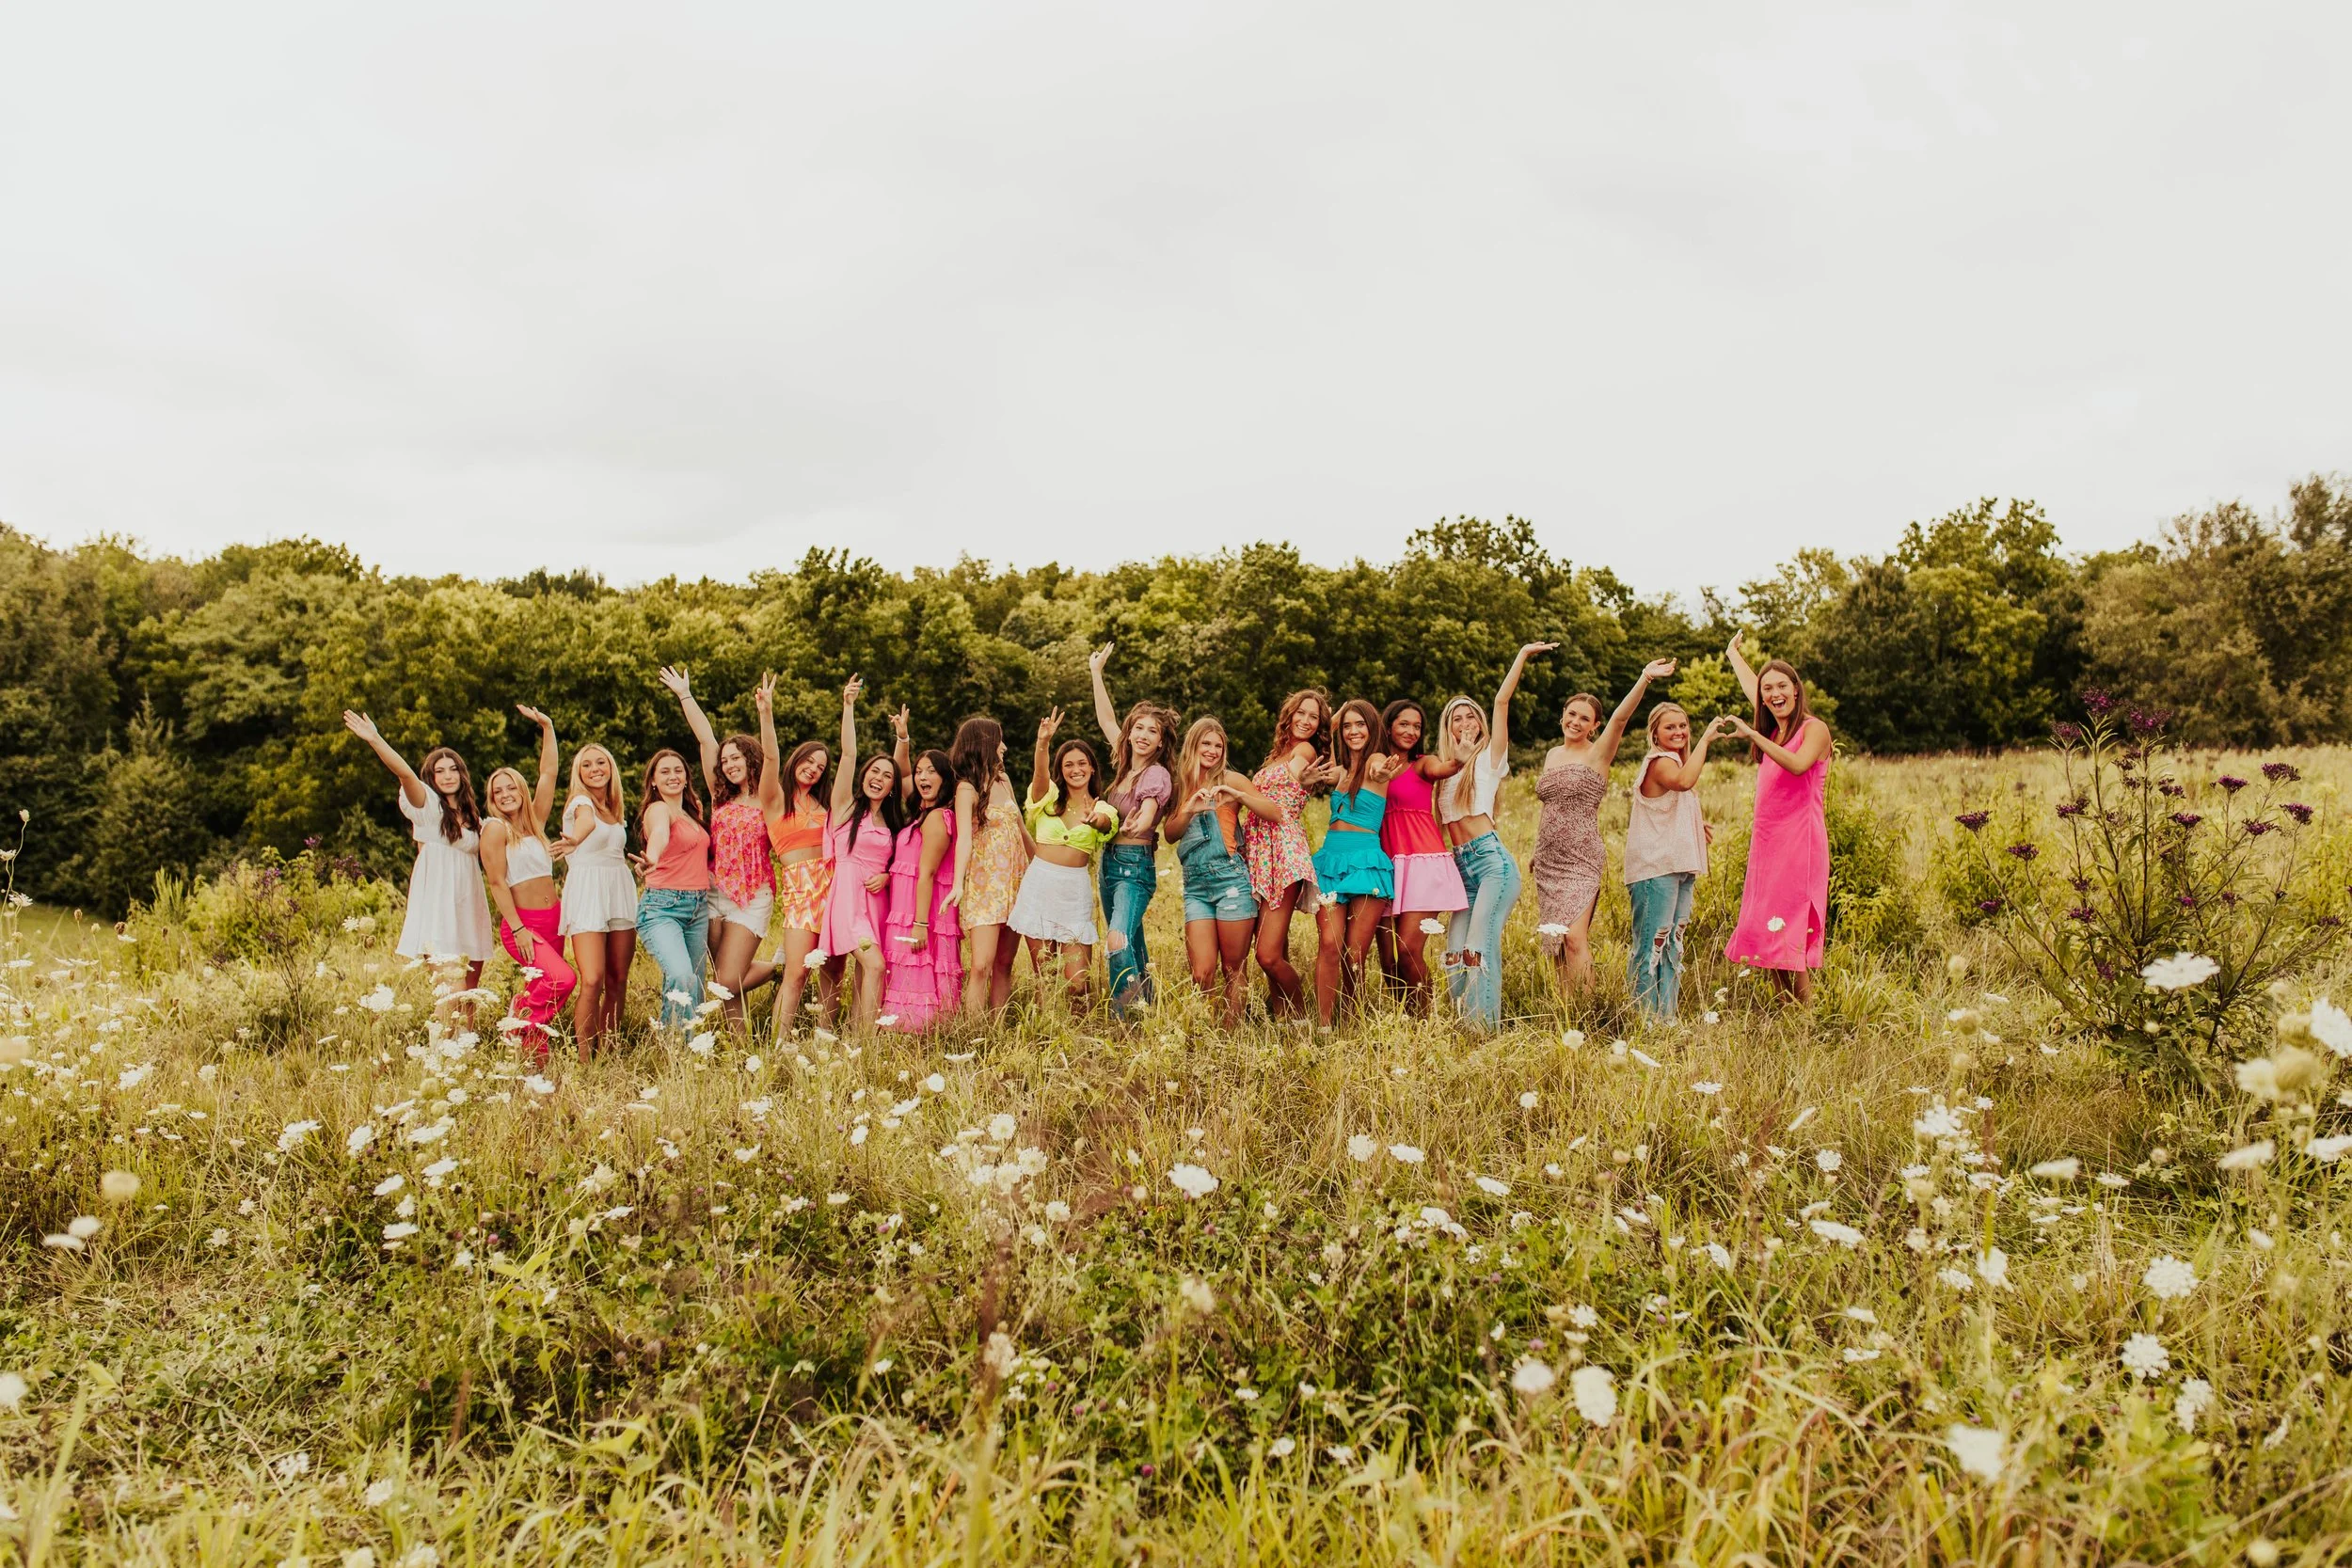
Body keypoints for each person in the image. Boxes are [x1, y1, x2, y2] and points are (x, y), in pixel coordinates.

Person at [1531, 658, 1677, 1004]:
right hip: (1549, 861)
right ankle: (1568, 1013)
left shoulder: (1599, 754)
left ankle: (1592, 1012)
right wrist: (1538, 851)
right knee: (1556, 944)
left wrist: (1644, 678)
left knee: (1575, 938)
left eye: (1585, 718)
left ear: (1595, 726)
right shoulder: (1551, 754)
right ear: (1562, 716)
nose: (1575, 721)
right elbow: (1550, 807)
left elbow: (1621, 718)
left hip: (1582, 859)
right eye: (1571, 714)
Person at [1436, 642, 1554, 1031]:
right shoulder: (1442, 768)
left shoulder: (1489, 759)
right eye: (1457, 718)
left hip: (1492, 864)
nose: (1465, 722)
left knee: (1478, 949)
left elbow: (1502, 702)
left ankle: (1483, 1035)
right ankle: (1465, 1026)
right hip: (1461, 868)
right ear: (1448, 727)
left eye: (1471, 716)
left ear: (1481, 723)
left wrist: (1521, 655)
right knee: (1453, 956)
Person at [342, 713, 494, 1005]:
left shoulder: (475, 819)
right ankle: (443, 1050)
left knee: (468, 996)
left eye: (453, 769)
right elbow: (405, 774)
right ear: (431, 777)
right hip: (438, 911)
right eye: (440, 771)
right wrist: (375, 739)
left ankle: (465, 1049)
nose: (448, 776)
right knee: (453, 990)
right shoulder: (428, 806)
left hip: (468, 909)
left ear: (463, 775)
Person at [658, 666, 776, 1036]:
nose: (728, 764)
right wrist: (684, 696)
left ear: (750, 759)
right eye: (725, 761)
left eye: (736, 758)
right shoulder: (718, 796)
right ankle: (743, 1058)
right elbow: (706, 738)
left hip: (753, 894)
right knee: (725, 988)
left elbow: (773, 758)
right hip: (714, 892)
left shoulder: (768, 796)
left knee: (727, 978)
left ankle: (782, 967)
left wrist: (765, 712)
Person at [1722, 633, 1833, 1003]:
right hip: (1768, 845)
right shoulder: (1776, 728)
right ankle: (1787, 1011)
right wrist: (1731, 654)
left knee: (1789, 932)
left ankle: (1807, 1017)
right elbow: (1755, 689)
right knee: (1768, 930)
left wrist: (1753, 733)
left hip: (1799, 843)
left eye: (1782, 686)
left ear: (1797, 690)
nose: (1773, 693)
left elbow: (1800, 766)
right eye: (1768, 689)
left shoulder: (1812, 729)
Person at [1161, 718, 1282, 1026]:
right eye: (1207, 744)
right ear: (1193, 746)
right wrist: (1190, 808)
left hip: (1231, 881)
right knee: (1201, 972)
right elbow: (1170, 834)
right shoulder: (1181, 786)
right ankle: (1207, 1028)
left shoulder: (1232, 779)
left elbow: (1274, 812)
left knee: (1232, 969)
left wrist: (1238, 796)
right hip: (1195, 886)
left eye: (1218, 745)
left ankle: (1231, 1035)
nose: (1213, 750)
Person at [1008, 709, 1120, 1006]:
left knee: (1077, 983)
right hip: (1040, 885)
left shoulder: (1103, 806)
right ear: (1061, 769)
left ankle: (1077, 1036)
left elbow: (1106, 825)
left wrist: (1094, 819)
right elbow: (1040, 775)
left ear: (1092, 769)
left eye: (1082, 763)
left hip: (1074, 891)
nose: (1075, 769)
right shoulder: (1046, 800)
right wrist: (1042, 742)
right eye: (1068, 764)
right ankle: (1044, 1035)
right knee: (1045, 976)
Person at [479, 706, 574, 1058]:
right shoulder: (494, 829)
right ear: (492, 797)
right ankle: (518, 1018)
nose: (505, 794)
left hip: (554, 920)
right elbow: (497, 882)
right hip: (524, 925)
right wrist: (518, 928)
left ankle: (534, 1064)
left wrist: (548, 726)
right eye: (497, 790)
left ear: (520, 789)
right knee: (562, 979)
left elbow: (548, 772)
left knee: (545, 987)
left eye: (510, 787)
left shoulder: (534, 824)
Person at [1089, 643, 1178, 1018]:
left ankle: (1123, 1017)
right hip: (1110, 865)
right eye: (1138, 728)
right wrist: (1096, 673)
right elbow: (1108, 721)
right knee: (1133, 941)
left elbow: (1149, 810)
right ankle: (1147, 1008)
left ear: (1161, 741)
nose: (1142, 734)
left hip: (1133, 865)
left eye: (1151, 731)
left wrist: (1140, 821)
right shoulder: (1126, 767)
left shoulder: (1155, 774)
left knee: (1116, 939)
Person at [1625, 703, 1730, 1019]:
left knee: (1673, 945)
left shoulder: (1676, 762)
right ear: (1654, 733)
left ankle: (1667, 1018)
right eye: (1670, 727)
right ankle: (1644, 1019)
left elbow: (1672, 803)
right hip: (1655, 869)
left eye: (1683, 725)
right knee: (1650, 947)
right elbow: (1683, 781)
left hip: (1680, 867)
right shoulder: (1659, 762)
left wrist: (1694, 823)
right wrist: (1706, 741)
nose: (1679, 732)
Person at [740, 714, 834, 1038]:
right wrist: (766, 712)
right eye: (809, 761)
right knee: (797, 972)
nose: (813, 768)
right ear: (796, 760)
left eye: (820, 767)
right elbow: (769, 756)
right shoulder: (777, 799)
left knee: (832, 972)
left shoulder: (826, 805)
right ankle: (778, 1044)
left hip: (833, 888)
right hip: (801, 892)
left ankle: (826, 1040)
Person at [1245, 689, 1333, 1019]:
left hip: (1283, 850)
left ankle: (1298, 1014)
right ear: (1290, 713)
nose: (1307, 721)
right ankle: (1281, 1013)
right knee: (1275, 945)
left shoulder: (1303, 750)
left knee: (1266, 954)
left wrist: (1299, 777)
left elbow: (1298, 769)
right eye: (1302, 713)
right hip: (1259, 849)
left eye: (1315, 717)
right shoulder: (1275, 754)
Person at [820, 675, 902, 1032]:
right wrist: (848, 707)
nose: (878, 778)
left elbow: (898, 862)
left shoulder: (893, 821)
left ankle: (857, 1039)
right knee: (875, 965)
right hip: (848, 900)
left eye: (886, 776)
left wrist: (887, 875)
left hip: (877, 900)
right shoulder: (845, 809)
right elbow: (849, 754)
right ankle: (867, 1045)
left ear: (892, 786)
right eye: (874, 771)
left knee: (864, 976)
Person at [1375, 700, 1467, 1015]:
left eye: (1417, 726)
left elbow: (1444, 768)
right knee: (1387, 959)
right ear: (1388, 726)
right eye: (1404, 724)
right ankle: (1405, 1019)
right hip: (1385, 866)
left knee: (1408, 949)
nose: (1411, 731)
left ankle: (1424, 1019)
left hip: (1423, 863)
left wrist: (1459, 760)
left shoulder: (1423, 764)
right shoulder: (1374, 767)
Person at [1311, 699, 1399, 1027]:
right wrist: (1331, 723)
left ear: (1372, 727)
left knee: (1354, 953)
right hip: (1331, 861)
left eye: (1359, 724)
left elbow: (1378, 768)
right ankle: (1323, 1026)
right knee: (1329, 943)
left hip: (1365, 863)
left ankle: (1353, 1020)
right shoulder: (1342, 770)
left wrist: (1381, 771)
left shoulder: (1375, 761)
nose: (1353, 731)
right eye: (1347, 726)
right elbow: (1324, 755)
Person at [554, 742, 637, 1054]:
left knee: (618, 978)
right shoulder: (580, 802)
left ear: (611, 767)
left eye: (601, 762)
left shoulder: (614, 809)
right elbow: (586, 823)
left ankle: (610, 1052)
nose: (595, 769)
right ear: (579, 772)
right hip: (588, 892)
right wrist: (575, 838)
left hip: (618, 889)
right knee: (592, 978)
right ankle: (585, 1060)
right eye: (586, 765)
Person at [881, 721, 961, 1030]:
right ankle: (906, 1034)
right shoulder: (920, 814)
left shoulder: (938, 817)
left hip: (921, 914)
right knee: (906, 972)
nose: (922, 776)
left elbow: (926, 874)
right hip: (905, 910)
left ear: (945, 778)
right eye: (919, 771)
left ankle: (920, 1035)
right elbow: (901, 773)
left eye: (931, 771)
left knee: (920, 970)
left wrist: (920, 925)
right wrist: (903, 737)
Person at [951, 716, 1028, 1018]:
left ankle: (996, 1031)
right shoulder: (966, 790)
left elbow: (1021, 831)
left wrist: (1043, 870)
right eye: (999, 741)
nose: (1004, 747)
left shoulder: (1004, 781)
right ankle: (972, 1032)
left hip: (1016, 883)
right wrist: (958, 883)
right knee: (981, 964)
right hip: (985, 887)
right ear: (984, 744)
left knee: (1004, 964)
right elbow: (964, 841)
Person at [635, 742, 713, 1031]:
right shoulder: (657, 809)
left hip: (698, 907)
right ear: (653, 780)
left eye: (678, 770)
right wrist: (651, 858)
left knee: (695, 984)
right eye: (664, 771)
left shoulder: (694, 814)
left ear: (686, 777)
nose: (673, 776)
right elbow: (659, 834)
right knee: (682, 977)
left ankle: (684, 1051)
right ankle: (676, 1050)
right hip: (663, 907)